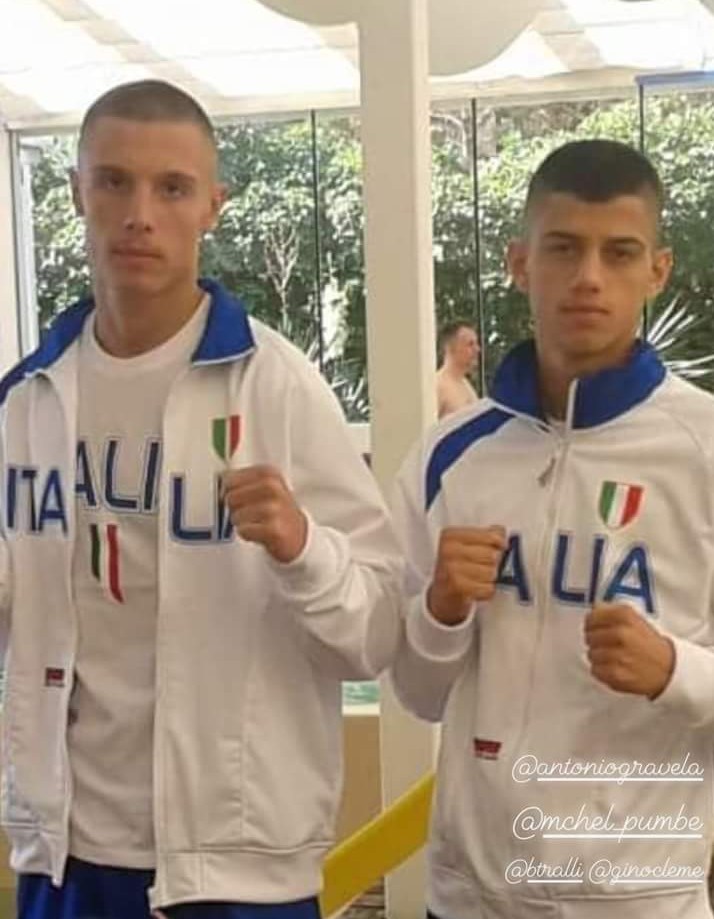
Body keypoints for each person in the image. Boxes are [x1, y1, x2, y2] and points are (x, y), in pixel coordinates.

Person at [0, 79, 403, 919]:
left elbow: (376, 632)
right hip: (65, 849)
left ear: (213, 205)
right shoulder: (26, 401)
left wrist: (302, 547)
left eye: (172, 188)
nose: (139, 215)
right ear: (75, 191)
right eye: (114, 181)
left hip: (237, 867)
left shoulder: (276, 388)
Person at [390, 139, 714, 919]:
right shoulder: (450, 455)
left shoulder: (703, 450)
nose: (589, 277)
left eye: (619, 252)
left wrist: (675, 669)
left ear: (657, 270)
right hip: (471, 897)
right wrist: (439, 610)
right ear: (520, 262)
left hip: (639, 900)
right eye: (563, 247)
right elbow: (417, 692)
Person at [435, 321, 479, 418]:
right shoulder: (438, 385)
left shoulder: (467, 386)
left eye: (476, 344)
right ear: (449, 348)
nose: (477, 349)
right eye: (470, 344)